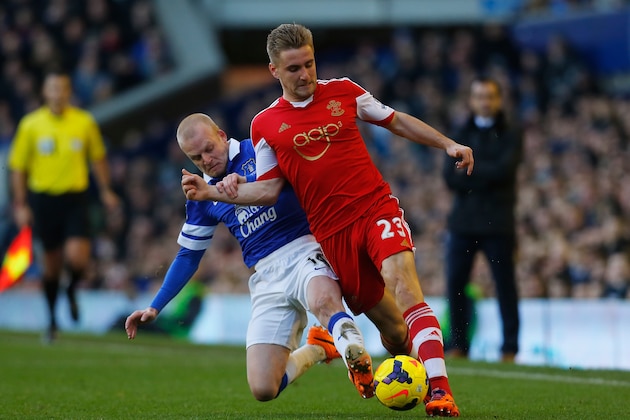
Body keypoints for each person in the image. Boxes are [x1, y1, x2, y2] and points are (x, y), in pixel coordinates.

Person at [181, 23, 475, 417]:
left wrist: (448, 143)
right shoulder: (265, 124)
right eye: (293, 69)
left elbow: (395, 120)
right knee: (394, 331)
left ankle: (440, 390)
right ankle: (398, 370)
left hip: (374, 208)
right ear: (274, 71)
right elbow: (267, 191)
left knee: (404, 285)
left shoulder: (345, 91)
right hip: (332, 236)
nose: (305, 75)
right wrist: (212, 191)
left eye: (309, 64)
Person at [125, 113, 375, 401]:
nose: (206, 160)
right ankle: (320, 347)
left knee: (323, 301)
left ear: (221, 135)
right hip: (266, 275)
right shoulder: (202, 194)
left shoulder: (259, 148)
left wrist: (248, 179)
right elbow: (188, 256)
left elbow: (292, 176)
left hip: (306, 247)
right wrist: (155, 307)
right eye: (196, 158)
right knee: (264, 388)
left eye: (209, 148)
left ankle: (355, 357)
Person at [8, 69, 119, 343]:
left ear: (70, 92)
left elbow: (98, 158)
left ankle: (71, 290)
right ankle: (52, 322)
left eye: (63, 89)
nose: (58, 94)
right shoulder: (31, 125)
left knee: (78, 259)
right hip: (43, 201)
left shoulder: (83, 122)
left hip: (74, 199)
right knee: (51, 268)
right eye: (53, 89)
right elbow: (18, 168)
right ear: (45, 92)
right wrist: (21, 204)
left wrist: (105, 190)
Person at [442, 77, 522, 362]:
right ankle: (458, 345)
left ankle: (510, 348)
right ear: (471, 100)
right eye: (479, 96)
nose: (485, 102)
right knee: (455, 284)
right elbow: (449, 177)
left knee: (505, 284)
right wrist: (486, 175)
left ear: (498, 100)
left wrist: (471, 172)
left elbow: (505, 172)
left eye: (489, 96)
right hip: (463, 223)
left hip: (498, 224)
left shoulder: (512, 131)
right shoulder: (460, 131)